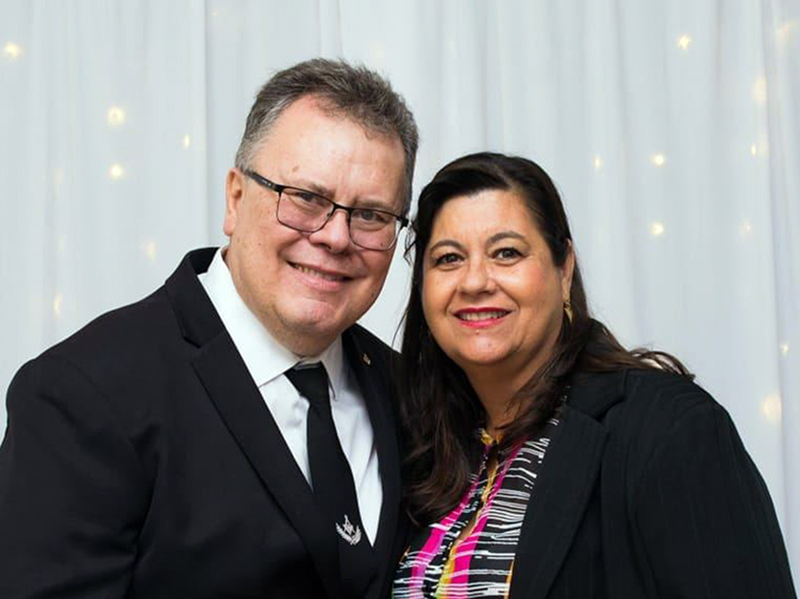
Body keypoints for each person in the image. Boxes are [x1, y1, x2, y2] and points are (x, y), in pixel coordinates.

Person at [0, 58, 418, 599]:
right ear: (236, 198)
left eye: (370, 215)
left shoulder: (408, 390)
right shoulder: (85, 395)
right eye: (306, 199)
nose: (336, 237)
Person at [392, 152, 796, 598]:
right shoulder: (423, 449)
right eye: (448, 259)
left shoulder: (668, 429)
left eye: (506, 253)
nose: (474, 281)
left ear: (563, 269)